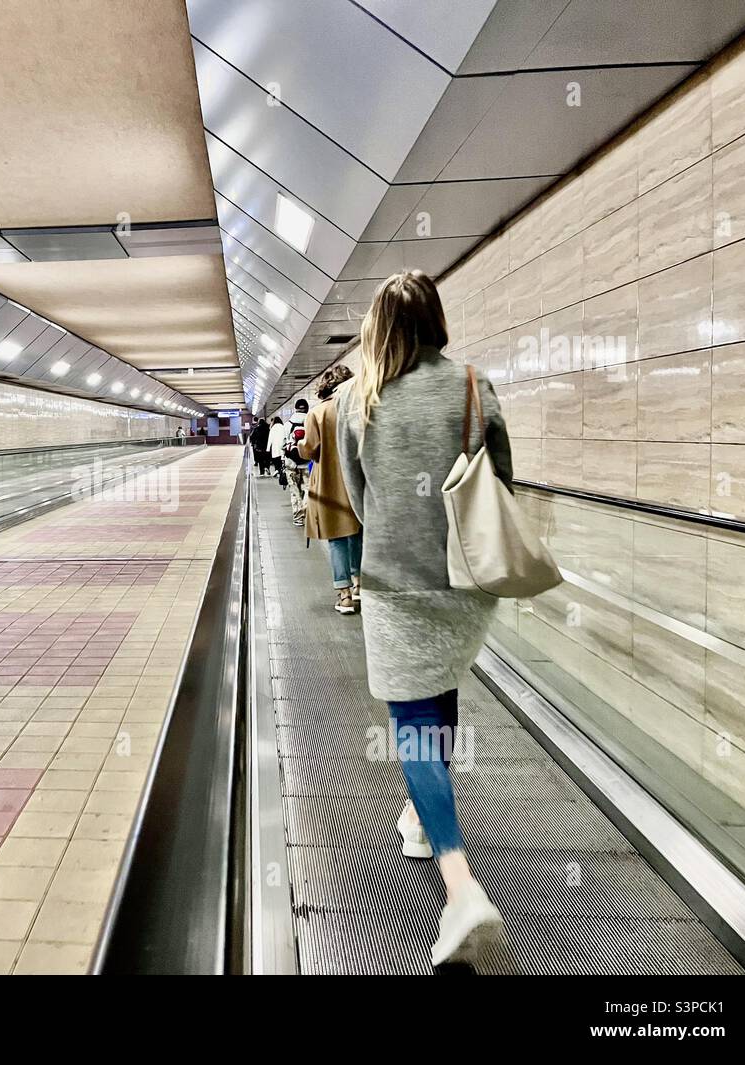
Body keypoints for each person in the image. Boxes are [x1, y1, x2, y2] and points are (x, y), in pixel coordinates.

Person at [338, 269, 513, 968]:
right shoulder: (473, 384)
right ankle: (418, 815)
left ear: (378, 326)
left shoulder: (358, 399)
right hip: (465, 581)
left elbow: (358, 499)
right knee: (440, 693)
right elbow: (501, 480)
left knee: (412, 720)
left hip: (394, 584)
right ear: (436, 318)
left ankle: (461, 887)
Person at [300, 365, 362, 614]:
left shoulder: (318, 413)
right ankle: (359, 585)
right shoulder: (359, 407)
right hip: (357, 481)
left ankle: (344, 595)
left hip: (328, 483)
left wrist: (299, 446)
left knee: (336, 538)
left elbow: (310, 449)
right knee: (357, 533)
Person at [283, 398, 310, 525]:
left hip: (291, 464)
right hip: (307, 464)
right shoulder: (311, 422)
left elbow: (283, 445)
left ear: (295, 409)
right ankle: (307, 513)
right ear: (307, 408)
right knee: (308, 490)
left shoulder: (288, 424)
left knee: (295, 491)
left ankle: (298, 517)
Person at [266, 416, 287, 482]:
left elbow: (270, 439)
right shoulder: (283, 427)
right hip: (282, 446)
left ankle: (277, 470)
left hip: (275, 446)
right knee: (282, 459)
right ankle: (280, 471)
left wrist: (268, 448)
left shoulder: (273, 428)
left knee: (276, 459)